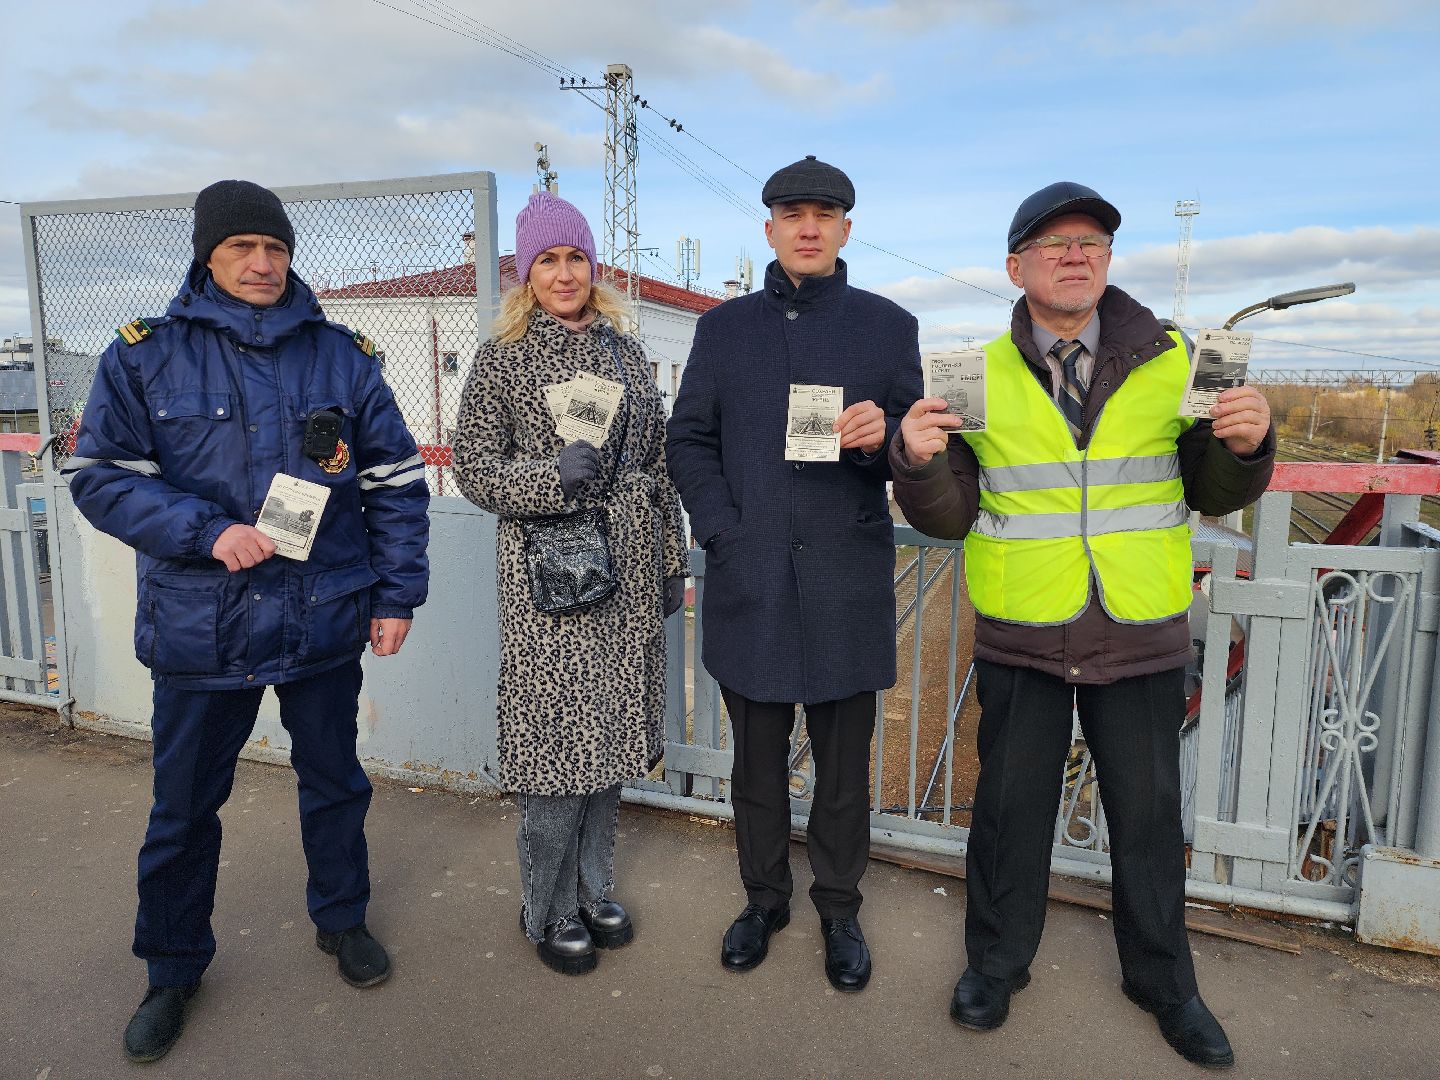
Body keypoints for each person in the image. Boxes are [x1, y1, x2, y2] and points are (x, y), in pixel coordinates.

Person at [891, 181, 1274, 1068]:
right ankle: (994, 965)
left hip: (1137, 626)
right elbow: (948, 517)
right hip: (1026, 626)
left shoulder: (1178, 359)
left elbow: (1214, 490)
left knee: (1146, 816)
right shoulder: (972, 375)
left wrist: (1250, 447)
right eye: (1056, 242)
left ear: (1108, 262)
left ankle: (1164, 983)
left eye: (1093, 242)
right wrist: (915, 462)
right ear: (1016, 266)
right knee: (1009, 809)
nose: (1077, 254)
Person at [63, 180, 429, 1063]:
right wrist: (207, 531)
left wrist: (395, 596)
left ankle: (342, 922)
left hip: (322, 618)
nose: (262, 264)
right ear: (207, 257)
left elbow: (393, 484)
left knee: (336, 783)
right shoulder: (146, 357)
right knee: (184, 809)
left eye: (275, 247)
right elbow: (102, 476)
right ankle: (172, 966)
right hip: (204, 624)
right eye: (241, 249)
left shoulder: (344, 356)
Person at [666, 156, 922, 993]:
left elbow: (921, 452)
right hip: (753, 578)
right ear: (769, 228)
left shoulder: (890, 327)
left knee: (846, 768)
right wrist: (723, 529)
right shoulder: (723, 328)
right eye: (791, 213)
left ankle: (839, 908)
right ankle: (764, 899)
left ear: (848, 228)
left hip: (846, 575)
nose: (808, 227)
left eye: (825, 213)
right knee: (757, 765)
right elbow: (688, 441)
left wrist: (881, 438)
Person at [452, 192, 689, 976]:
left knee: (610, 741)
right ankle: (543, 907)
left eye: (575, 258)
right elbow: (475, 470)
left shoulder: (624, 351)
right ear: (527, 273)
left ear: (595, 266)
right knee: (558, 750)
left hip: (624, 576)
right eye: (548, 260)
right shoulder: (504, 357)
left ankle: (593, 889)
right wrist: (548, 475)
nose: (564, 274)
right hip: (549, 585)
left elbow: (656, 464)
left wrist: (669, 562)